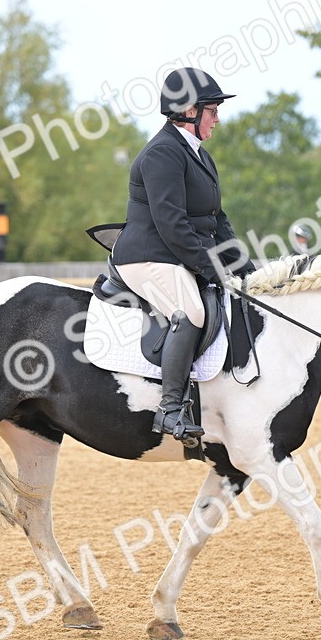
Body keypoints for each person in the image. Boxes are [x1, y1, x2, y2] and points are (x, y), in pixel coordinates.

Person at [110, 68, 254, 440]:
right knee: (191, 309)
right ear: (189, 110)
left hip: (174, 253)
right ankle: (170, 409)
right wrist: (211, 268)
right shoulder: (162, 153)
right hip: (147, 256)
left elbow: (217, 220)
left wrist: (245, 268)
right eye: (213, 110)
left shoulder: (199, 156)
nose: (218, 119)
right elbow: (173, 226)